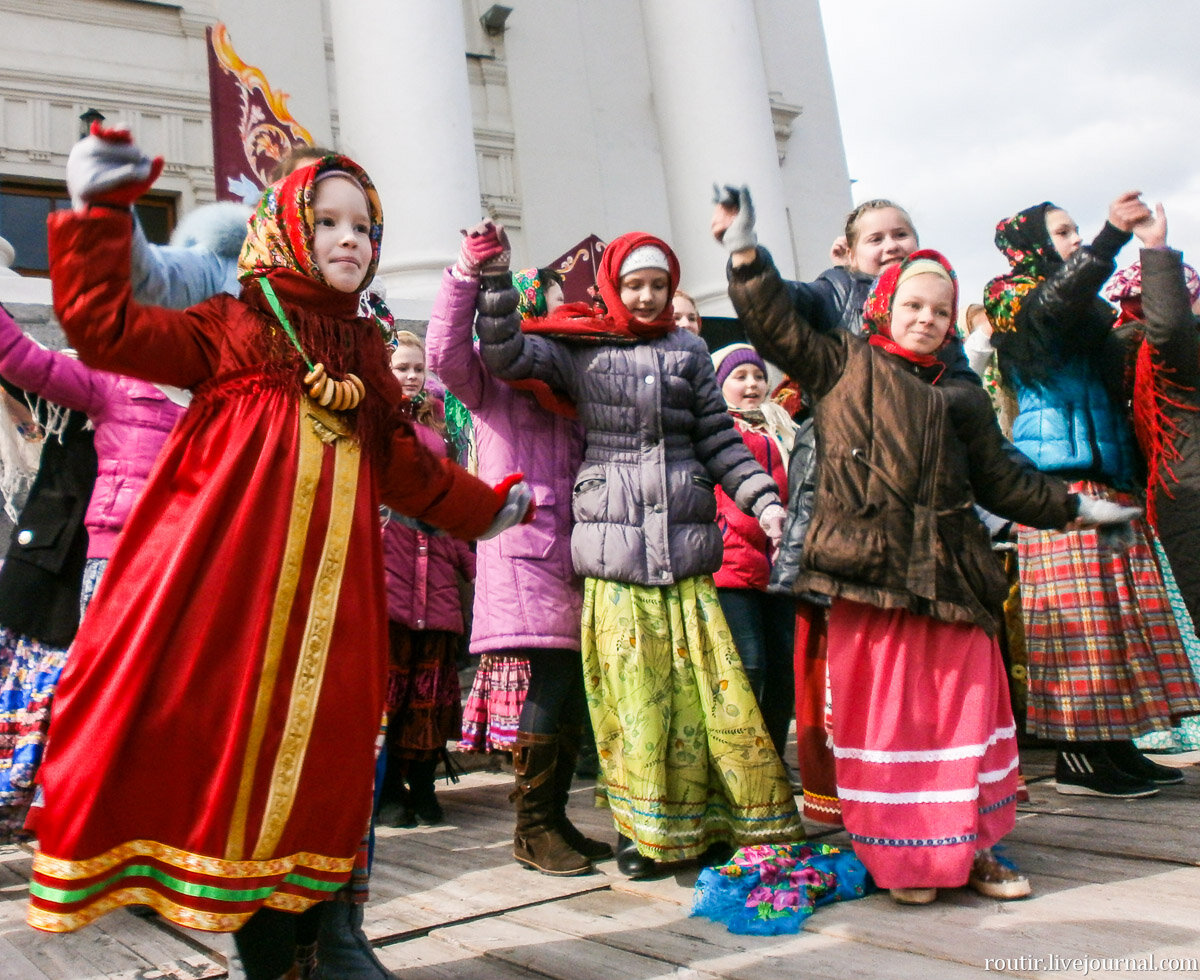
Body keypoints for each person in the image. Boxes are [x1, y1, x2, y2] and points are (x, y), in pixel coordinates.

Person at [27, 151, 533, 980]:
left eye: (363, 226)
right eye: (328, 221)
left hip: (338, 615)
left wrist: (488, 508)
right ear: (290, 228)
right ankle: (267, 961)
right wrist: (94, 210)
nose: (350, 239)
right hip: (236, 604)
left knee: (325, 769)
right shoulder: (232, 324)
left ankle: (321, 945)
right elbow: (103, 327)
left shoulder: (369, 350)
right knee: (240, 773)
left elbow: (407, 468)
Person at [716, 187, 1137, 903]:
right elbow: (772, 321)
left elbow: (1006, 481)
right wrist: (744, 252)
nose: (929, 319)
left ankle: (976, 850)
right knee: (891, 725)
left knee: (965, 717)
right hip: (869, 580)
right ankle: (906, 861)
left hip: (952, 576)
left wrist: (1082, 510)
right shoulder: (840, 364)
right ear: (884, 306)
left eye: (941, 311)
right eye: (915, 305)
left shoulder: (963, 395)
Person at [476, 222, 802, 880]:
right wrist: (494, 284)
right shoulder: (584, 347)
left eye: (660, 285)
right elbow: (507, 355)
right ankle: (643, 834)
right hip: (615, 554)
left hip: (684, 553)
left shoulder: (686, 352)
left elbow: (719, 438)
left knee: (705, 698)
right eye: (636, 285)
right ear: (612, 286)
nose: (648, 296)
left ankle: (712, 822)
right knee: (635, 705)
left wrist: (765, 501)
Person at [984, 194, 1200, 799]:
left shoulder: (1090, 307)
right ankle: (1078, 759)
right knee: (1080, 627)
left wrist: (1156, 264)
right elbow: (1053, 308)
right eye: (1063, 231)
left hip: (1105, 476)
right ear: (1027, 242)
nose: (1075, 239)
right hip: (1057, 489)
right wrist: (1111, 235)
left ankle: (1117, 746)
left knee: (1119, 623)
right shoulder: (1011, 296)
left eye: (1078, 229)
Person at [427, 262, 608, 876]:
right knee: (550, 684)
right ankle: (532, 828)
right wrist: (463, 277)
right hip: (523, 549)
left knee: (566, 692)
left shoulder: (565, 385)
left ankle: (552, 819)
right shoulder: (491, 382)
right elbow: (444, 352)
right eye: (548, 303)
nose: (558, 316)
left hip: (574, 551)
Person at [0, 309, 185, 837]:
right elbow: (22, 364)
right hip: (60, 568)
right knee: (53, 697)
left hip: (157, 564)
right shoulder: (92, 381)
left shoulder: (203, 400)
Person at [1102, 205, 1200, 753]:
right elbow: (1167, 329)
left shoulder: (1143, 355)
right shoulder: (1157, 351)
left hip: (1170, 503)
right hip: (1173, 502)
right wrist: (1158, 251)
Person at [379, 331, 475, 828]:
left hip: (434, 572)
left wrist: (470, 562)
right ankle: (389, 786)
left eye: (417, 368)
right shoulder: (373, 422)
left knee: (430, 692)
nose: (412, 376)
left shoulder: (440, 433)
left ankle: (422, 782)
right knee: (390, 690)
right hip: (391, 569)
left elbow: (449, 502)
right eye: (401, 367)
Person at [709, 342, 797, 758]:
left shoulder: (781, 430)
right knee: (749, 664)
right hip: (732, 564)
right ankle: (743, 762)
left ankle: (774, 761)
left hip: (777, 567)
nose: (752, 385)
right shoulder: (715, 430)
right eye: (739, 377)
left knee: (783, 669)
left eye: (758, 376)